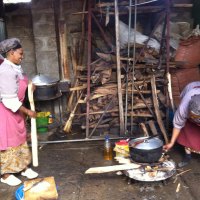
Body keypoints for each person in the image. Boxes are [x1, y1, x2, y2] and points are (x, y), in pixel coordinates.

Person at [0, 38, 38, 186]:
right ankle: (5, 174)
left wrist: (30, 85)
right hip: (5, 111)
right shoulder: (5, 71)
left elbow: (21, 81)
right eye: (20, 53)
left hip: (16, 110)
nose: (22, 56)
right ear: (11, 53)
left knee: (20, 138)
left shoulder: (15, 66)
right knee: (8, 141)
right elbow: (8, 100)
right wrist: (28, 111)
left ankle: (22, 167)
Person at [164, 81, 200, 167]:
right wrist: (171, 142)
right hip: (190, 88)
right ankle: (187, 156)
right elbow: (177, 126)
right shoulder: (183, 108)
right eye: (193, 117)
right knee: (187, 133)